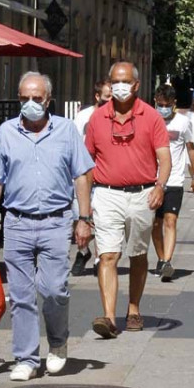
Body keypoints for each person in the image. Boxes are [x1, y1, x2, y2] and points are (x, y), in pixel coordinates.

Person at [0, 72, 94, 381]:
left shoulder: (66, 130)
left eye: (37, 98)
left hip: (57, 221)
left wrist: (84, 219)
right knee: (21, 294)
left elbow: (82, 175)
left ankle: (57, 344)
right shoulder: (5, 132)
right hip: (17, 222)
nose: (30, 104)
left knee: (55, 290)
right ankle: (26, 357)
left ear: (48, 100)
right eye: (24, 98)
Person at [85, 62, 170, 338]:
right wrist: (83, 209)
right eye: (114, 81)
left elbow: (164, 158)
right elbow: (86, 164)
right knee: (107, 255)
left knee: (137, 254)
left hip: (142, 194)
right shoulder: (97, 119)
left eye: (124, 81)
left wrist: (160, 185)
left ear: (136, 85)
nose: (119, 86)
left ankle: (133, 308)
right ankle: (108, 317)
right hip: (106, 193)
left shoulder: (152, 117)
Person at [152, 84, 194, 282]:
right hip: (151, 181)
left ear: (174, 104)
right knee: (155, 224)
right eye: (160, 104)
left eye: (167, 104)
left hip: (174, 180)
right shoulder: (149, 120)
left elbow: (191, 148)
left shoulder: (183, 122)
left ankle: (166, 261)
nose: (163, 108)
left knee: (170, 221)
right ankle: (161, 258)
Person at [70, 80, 112, 277]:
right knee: (79, 215)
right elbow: (75, 144)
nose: (110, 101)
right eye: (107, 97)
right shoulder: (83, 117)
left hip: (106, 175)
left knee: (102, 219)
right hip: (83, 175)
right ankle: (83, 252)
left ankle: (98, 258)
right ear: (97, 97)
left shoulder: (116, 116)